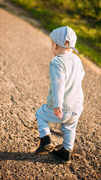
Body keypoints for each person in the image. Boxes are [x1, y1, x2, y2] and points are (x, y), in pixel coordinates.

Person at [35, 26, 85, 163]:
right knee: (70, 127)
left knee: (40, 114)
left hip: (61, 106)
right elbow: (81, 76)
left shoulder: (57, 62)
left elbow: (58, 85)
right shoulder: (77, 60)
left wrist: (57, 105)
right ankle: (66, 152)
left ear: (55, 45)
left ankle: (45, 139)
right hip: (76, 106)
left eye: (51, 43)